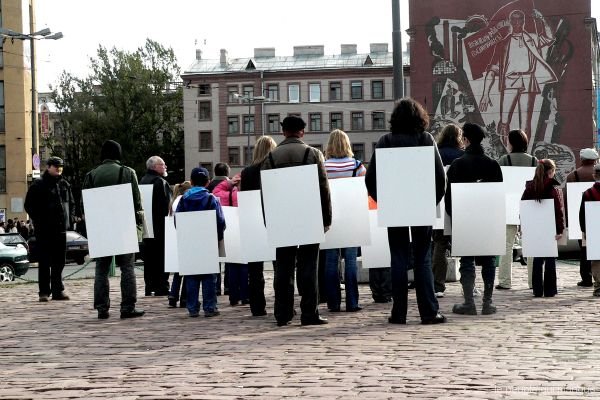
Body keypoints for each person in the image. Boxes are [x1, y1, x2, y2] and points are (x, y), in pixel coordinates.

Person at [365, 97, 447, 325]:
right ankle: (429, 312)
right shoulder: (426, 139)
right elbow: (441, 179)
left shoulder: (385, 141)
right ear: (420, 118)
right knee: (422, 258)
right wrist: (431, 202)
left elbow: (370, 180)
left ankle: (399, 312)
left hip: (395, 206)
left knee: (398, 258)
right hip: (421, 205)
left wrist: (384, 201)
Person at [261, 115, 332, 327]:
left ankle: (282, 313)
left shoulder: (271, 157)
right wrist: (326, 219)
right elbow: (323, 189)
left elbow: (266, 192)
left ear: (283, 131)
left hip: (281, 217)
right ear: (302, 131)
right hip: (309, 215)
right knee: (309, 266)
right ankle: (309, 312)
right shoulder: (313, 153)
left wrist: (268, 220)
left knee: (283, 267)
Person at [82, 140, 145, 320]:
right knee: (127, 268)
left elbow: (84, 203)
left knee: (101, 269)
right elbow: (137, 202)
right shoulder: (127, 172)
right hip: (124, 225)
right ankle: (127, 307)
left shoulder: (91, 175)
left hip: (100, 226)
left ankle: (102, 308)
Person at [446, 123, 504, 315]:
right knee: (489, 260)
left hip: (464, 219)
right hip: (488, 219)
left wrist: (455, 219)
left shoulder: (457, 164)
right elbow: (498, 196)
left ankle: (469, 302)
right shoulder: (492, 164)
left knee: (467, 260)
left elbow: (449, 199)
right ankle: (487, 302)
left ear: (466, 140)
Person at [479, 9, 557, 142]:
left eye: (519, 19)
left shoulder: (532, 38)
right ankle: (506, 152)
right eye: (513, 19)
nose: (516, 22)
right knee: (504, 122)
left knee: (526, 123)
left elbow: (549, 38)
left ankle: (524, 151)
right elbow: (492, 70)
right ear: (510, 21)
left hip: (528, 79)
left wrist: (542, 20)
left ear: (523, 21)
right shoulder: (503, 43)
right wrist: (485, 94)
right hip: (510, 81)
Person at [323, 129, 366, 313]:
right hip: (352, 217)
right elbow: (364, 191)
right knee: (350, 262)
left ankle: (333, 303)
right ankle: (352, 302)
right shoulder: (357, 166)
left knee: (331, 262)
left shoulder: (323, 167)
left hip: (331, 218)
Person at [24, 156, 76, 302]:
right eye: (56, 166)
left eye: (61, 166)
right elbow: (29, 205)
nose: (59, 169)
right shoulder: (38, 185)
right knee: (45, 261)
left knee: (59, 261)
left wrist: (70, 218)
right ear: (48, 167)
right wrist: (39, 220)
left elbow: (71, 203)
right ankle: (44, 292)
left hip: (61, 229)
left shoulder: (65, 184)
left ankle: (58, 290)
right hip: (44, 230)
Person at [175, 167, 225, 318]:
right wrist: (217, 237)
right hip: (208, 242)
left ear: (191, 182)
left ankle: (192, 308)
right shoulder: (211, 199)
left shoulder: (183, 199)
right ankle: (210, 307)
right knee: (209, 275)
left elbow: (177, 221)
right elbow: (220, 221)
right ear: (208, 182)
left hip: (190, 242)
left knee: (192, 274)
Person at [240, 135, 277, 317]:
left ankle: (257, 307)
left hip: (253, 221)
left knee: (255, 271)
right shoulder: (276, 168)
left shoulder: (247, 172)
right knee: (281, 267)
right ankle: (283, 304)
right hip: (275, 219)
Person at [496, 129, 538, 290]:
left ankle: (505, 281)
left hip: (508, 206)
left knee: (506, 244)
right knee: (531, 245)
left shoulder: (503, 160)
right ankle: (533, 281)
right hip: (530, 205)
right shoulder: (534, 161)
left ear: (511, 143)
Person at [521, 159, 564, 297]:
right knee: (550, 258)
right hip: (550, 227)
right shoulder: (552, 189)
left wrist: (524, 226)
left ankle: (537, 290)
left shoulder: (529, 188)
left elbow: (523, 208)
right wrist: (560, 229)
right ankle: (550, 290)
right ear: (550, 172)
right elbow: (558, 211)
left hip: (534, 228)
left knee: (537, 257)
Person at [432, 123, 464, 298]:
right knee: (466, 245)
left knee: (439, 245)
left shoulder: (435, 154)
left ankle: (438, 285)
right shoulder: (462, 155)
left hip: (439, 204)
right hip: (458, 203)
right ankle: (468, 284)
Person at [213, 173, 249, 307]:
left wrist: (228, 182)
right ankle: (245, 296)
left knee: (232, 266)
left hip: (231, 232)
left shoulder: (226, 194)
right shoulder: (248, 195)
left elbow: (215, 191)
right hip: (245, 231)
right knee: (245, 266)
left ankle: (233, 297)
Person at [566, 148, 599, 287]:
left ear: (582, 159)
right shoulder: (595, 172)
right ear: (595, 160)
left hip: (583, 217)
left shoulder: (573, 175)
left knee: (585, 250)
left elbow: (569, 200)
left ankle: (586, 278)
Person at [140, 156, 173, 296]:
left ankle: (149, 286)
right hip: (160, 227)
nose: (165, 167)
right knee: (161, 258)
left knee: (149, 260)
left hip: (147, 228)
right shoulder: (160, 182)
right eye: (162, 164)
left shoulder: (142, 181)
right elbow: (167, 206)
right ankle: (162, 286)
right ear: (154, 167)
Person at [167, 181, 192, 308]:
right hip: (184, 235)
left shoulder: (173, 201)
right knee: (187, 269)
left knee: (178, 270)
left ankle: (173, 294)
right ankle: (184, 298)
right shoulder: (185, 200)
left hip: (175, 238)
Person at [207, 162, 231, 296]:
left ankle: (216, 287)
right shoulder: (231, 185)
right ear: (228, 173)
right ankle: (228, 286)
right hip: (229, 224)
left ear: (215, 172)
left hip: (212, 225)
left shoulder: (209, 186)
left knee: (215, 257)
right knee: (229, 256)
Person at [579, 163, 600, 296]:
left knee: (597, 259)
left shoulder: (588, 193)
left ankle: (598, 287)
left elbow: (582, 214)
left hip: (594, 229)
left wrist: (584, 230)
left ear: (594, 176)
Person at [366, 196, 392, 303]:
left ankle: (377, 292)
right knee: (386, 259)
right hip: (385, 211)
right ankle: (385, 292)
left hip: (369, 210)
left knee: (373, 260)